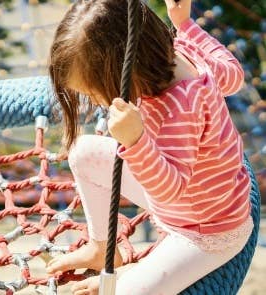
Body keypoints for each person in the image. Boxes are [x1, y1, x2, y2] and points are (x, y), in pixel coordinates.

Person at [45, 0, 253, 294]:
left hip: (205, 229)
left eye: (94, 91)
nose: (93, 101)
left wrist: (136, 142)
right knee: (83, 152)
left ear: (127, 69)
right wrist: (185, 24)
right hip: (187, 199)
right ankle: (101, 246)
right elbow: (233, 75)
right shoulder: (182, 52)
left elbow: (170, 189)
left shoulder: (178, 108)